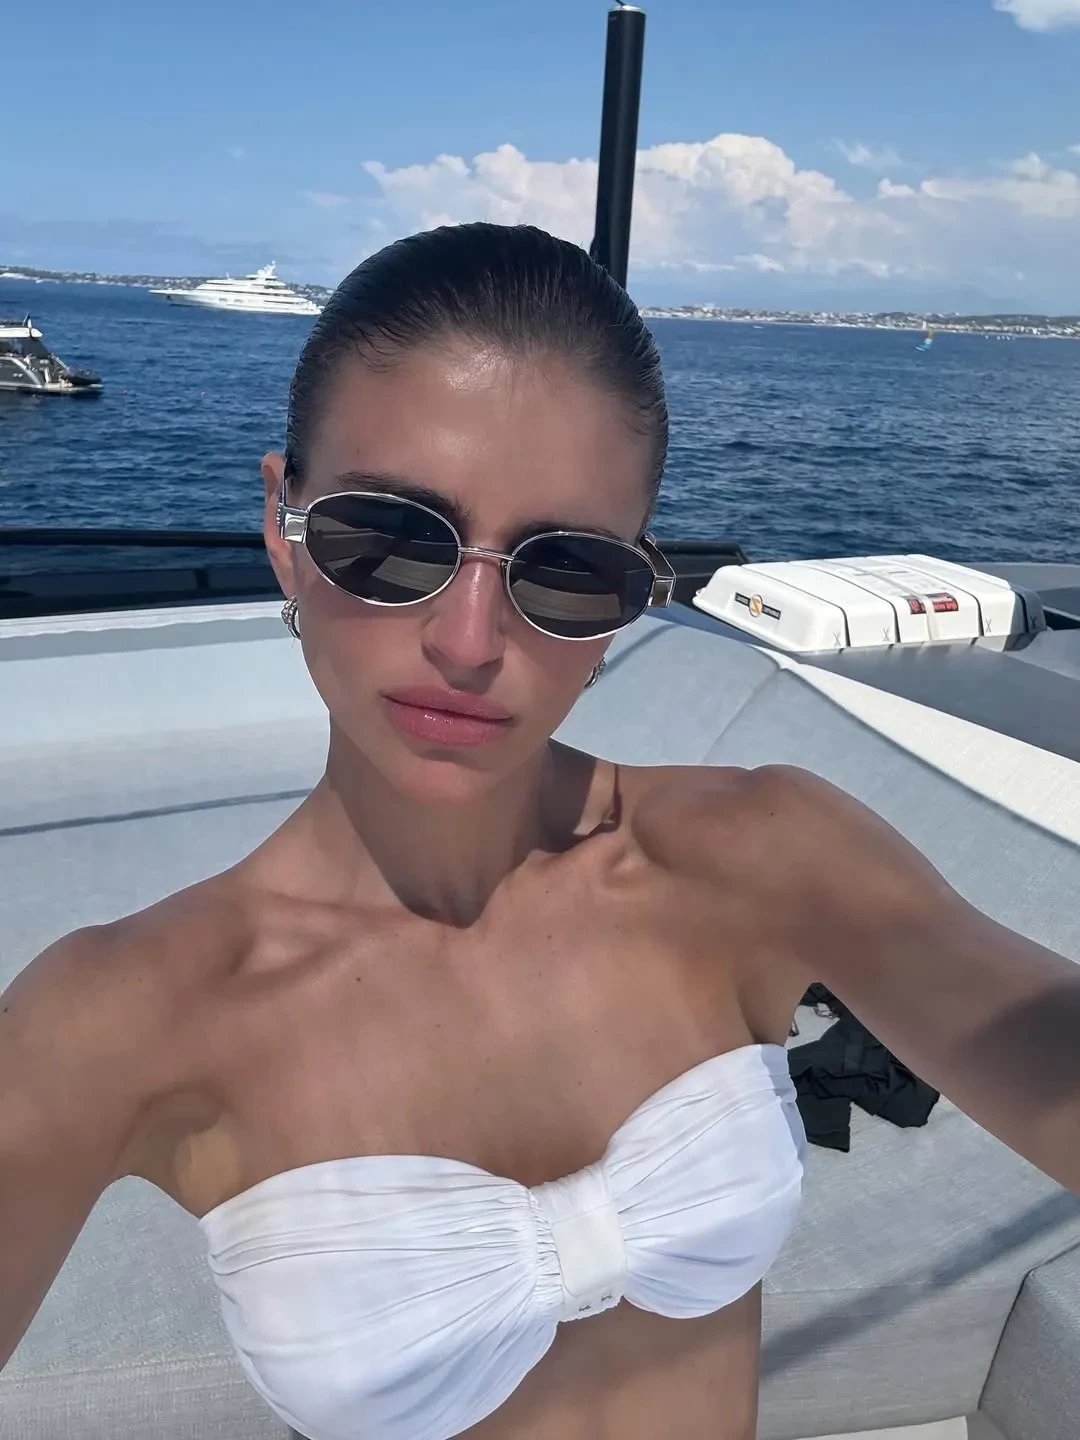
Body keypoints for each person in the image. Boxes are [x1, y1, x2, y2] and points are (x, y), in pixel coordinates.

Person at [2, 222, 1079, 1440]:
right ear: (281, 525)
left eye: (563, 570)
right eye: (388, 539)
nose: (469, 642)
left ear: (632, 591)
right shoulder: (122, 1014)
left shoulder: (762, 855)